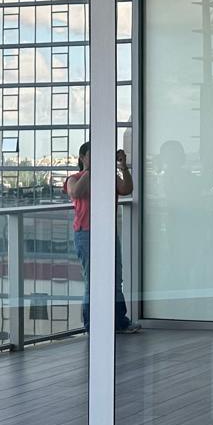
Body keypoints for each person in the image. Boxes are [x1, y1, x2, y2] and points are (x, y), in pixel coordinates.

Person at [65, 141, 136, 333]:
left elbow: (126, 188)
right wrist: (91, 170)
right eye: (92, 154)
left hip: (108, 232)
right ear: (82, 158)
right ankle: (92, 324)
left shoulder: (108, 176)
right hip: (86, 234)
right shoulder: (74, 178)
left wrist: (123, 167)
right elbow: (76, 192)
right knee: (93, 280)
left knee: (115, 277)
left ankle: (119, 322)